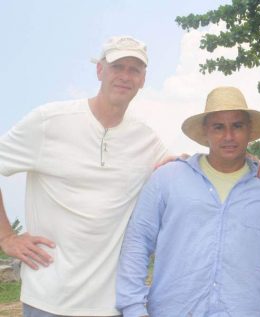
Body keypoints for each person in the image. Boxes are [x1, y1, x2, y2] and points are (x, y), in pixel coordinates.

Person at [0, 35, 167, 316]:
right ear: (100, 70)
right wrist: (6, 237)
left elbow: (189, 172)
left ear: (143, 79)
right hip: (46, 301)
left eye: (134, 69)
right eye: (117, 67)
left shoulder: (147, 141)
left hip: (111, 305)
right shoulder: (48, 121)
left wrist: (244, 162)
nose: (125, 76)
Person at [116, 86, 260, 317]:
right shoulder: (168, 179)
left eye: (237, 126)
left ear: (249, 130)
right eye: (218, 127)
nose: (228, 136)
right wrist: (133, 309)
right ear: (205, 132)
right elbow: (137, 243)